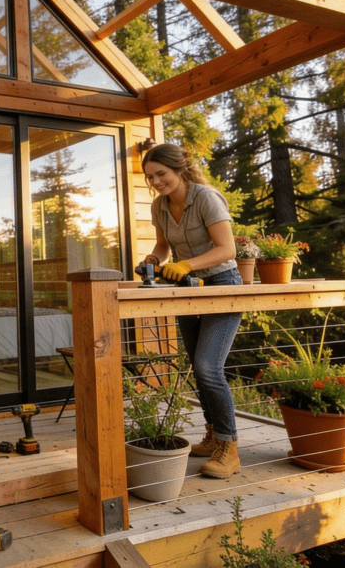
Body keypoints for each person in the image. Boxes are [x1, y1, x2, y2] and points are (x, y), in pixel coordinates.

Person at [140, 142, 242, 479]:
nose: (156, 182)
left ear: (179, 169)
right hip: (188, 289)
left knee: (208, 365)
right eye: (150, 176)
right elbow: (162, 246)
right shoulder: (159, 206)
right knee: (198, 369)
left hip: (223, 285)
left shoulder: (206, 198)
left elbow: (226, 249)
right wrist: (154, 260)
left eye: (161, 174)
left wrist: (186, 264)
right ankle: (213, 435)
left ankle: (230, 447)